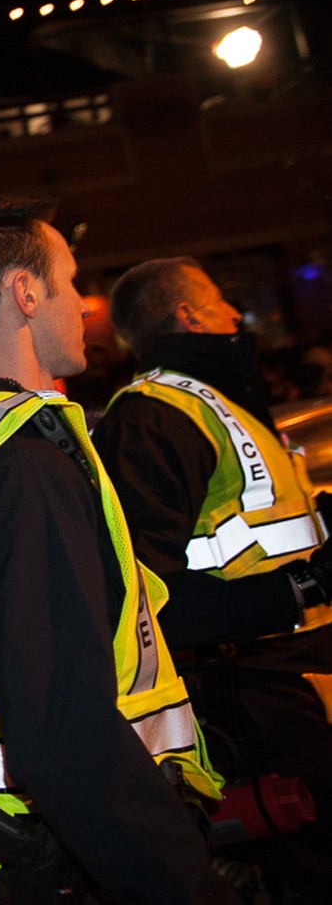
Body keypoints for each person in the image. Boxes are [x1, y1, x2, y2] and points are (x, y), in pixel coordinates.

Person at [0, 197, 233, 903]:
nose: (84, 305)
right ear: (24, 293)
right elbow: (63, 732)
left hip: (29, 851)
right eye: (71, 281)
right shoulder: (21, 467)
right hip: (72, 862)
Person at [91, 256, 331, 898]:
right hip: (241, 698)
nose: (236, 315)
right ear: (187, 315)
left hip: (280, 678)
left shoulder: (213, 402)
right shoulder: (153, 417)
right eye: (220, 301)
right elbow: (150, 598)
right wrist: (301, 588)